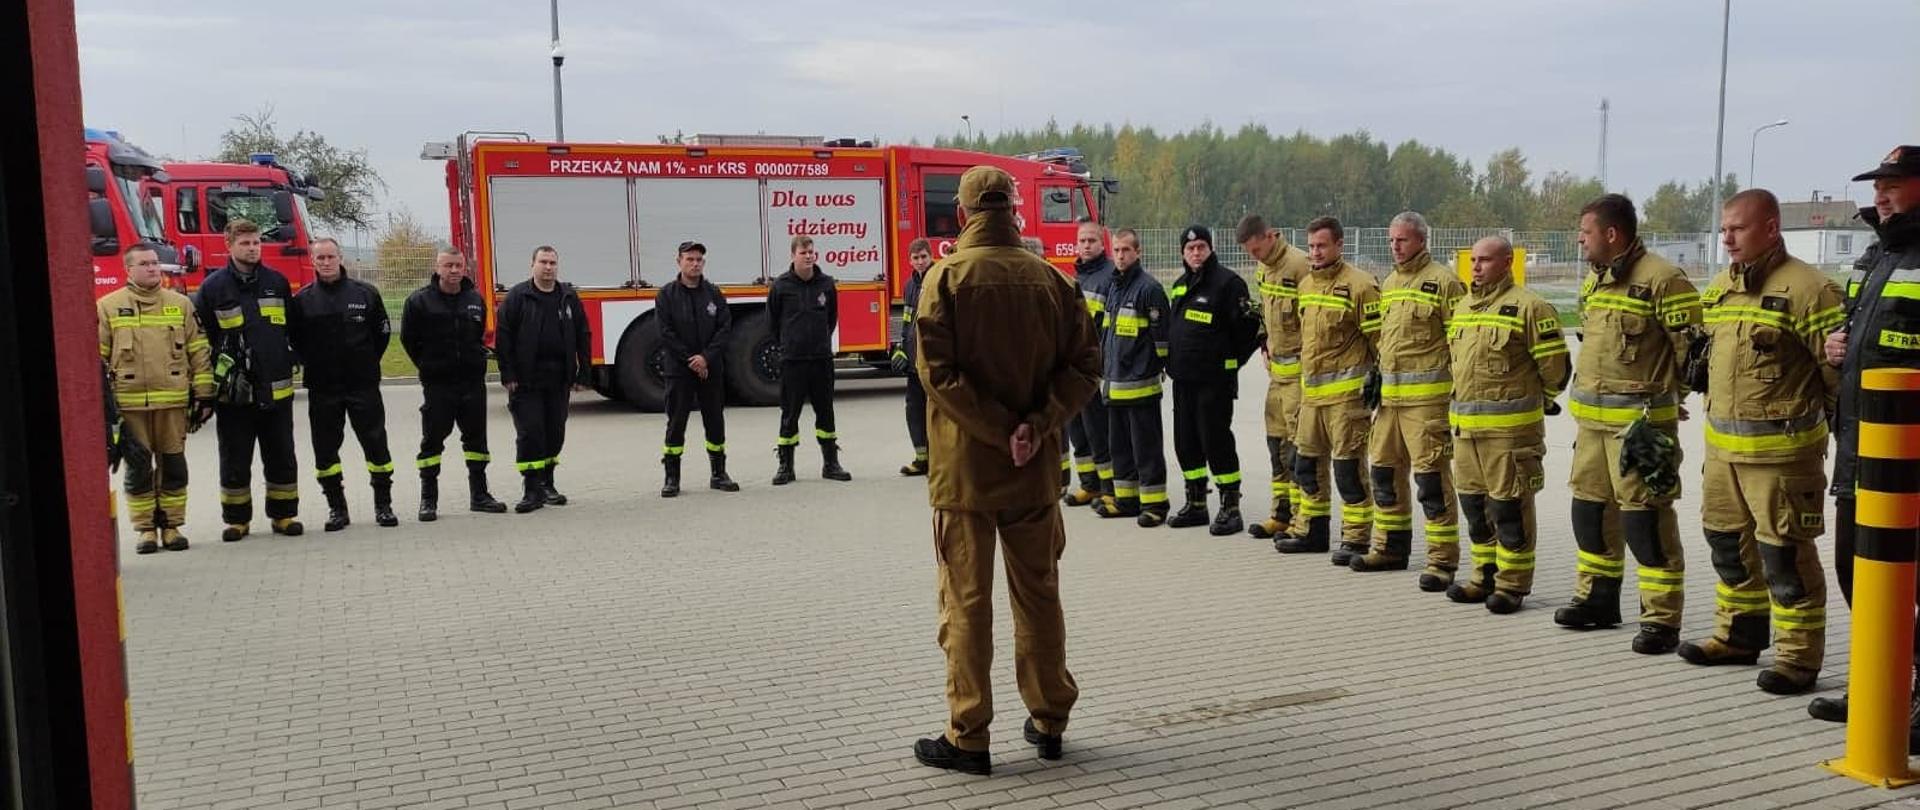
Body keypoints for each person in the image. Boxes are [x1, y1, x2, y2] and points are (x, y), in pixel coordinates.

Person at [909, 165, 1101, 775]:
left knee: (966, 603)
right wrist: (1035, 426)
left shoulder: (943, 279)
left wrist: (996, 430)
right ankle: (1049, 720)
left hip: (966, 476)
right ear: (1015, 212)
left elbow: (936, 375)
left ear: (962, 216)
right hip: (1034, 470)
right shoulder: (1052, 280)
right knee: (1039, 595)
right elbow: (1085, 367)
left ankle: (969, 735)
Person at [1675, 189, 1842, 694]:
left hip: (1783, 460)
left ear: (1771, 228)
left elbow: (1836, 378)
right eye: (1723, 229)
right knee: (1727, 547)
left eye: (1738, 229)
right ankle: (1739, 636)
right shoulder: (1721, 285)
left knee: (1785, 559)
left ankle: (1797, 658)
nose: (1727, 238)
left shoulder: (1811, 290)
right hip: (1723, 453)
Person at [1555, 193, 1701, 656]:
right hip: (1591, 429)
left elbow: (1693, 355)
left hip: (1640, 433)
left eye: (1585, 233)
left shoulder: (1664, 280)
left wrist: (1670, 399)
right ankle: (1597, 599)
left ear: (1612, 234)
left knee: (1645, 523)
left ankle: (1660, 619)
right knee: (1590, 515)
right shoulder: (1595, 281)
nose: (1580, 241)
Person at [1812, 145, 1920, 731]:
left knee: (1912, 579)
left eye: (1895, 185)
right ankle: (1881, 683)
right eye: (1879, 185)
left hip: (1912, 455)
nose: (1880, 195)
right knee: (1859, 570)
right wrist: (1840, 346)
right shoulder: (1877, 255)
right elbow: (1860, 334)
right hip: (1862, 448)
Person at [1445, 237, 1570, 613]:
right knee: (1474, 508)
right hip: (1466, 432)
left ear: (1508, 262)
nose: (1477, 267)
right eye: (1474, 260)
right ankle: (1483, 575)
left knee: (1510, 510)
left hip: (1510, 435)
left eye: (1485, 260)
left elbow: (1556, 371)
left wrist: (1538, 400)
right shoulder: (1464, 306)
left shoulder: (1531, 307)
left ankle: (1512, 584)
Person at [1351, 212, 1466, 581]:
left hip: (1426, 406)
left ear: (1421, 241)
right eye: (1391, 240)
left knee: (1431, 482)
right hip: (1389, 403)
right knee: (1383, 475)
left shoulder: (1444, 282)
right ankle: (1390, 548)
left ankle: (1442, 560)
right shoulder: (1390, 282)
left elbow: (1459, 342)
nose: (1394, 246)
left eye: (1401, 240)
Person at [1276, 217, 1382, 563]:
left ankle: (1355, 539)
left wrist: (1379, 381)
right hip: (1312, 398)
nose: (1315, 252)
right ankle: (1313, 531)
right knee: (1305, 466)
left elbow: (1379, 341)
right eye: (1311, 246)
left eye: (1322, 246)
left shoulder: (1361, 285)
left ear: (1339, 245)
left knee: (1348, 472)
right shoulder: (1306, 285)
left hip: (1347, 402)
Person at [99, 243, 214, 553]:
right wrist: (106, 409)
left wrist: (204, 395)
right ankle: (146, 530)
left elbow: (198, 351)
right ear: (129, 270)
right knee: (138, 468)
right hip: (130, 405)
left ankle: (173, 527)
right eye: (145, 264)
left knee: (174, 466)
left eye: (155, 263)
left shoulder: (181, 305)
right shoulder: (107, 307)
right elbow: (98, 360)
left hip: (173, 403)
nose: (153, 268)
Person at [195, 218, 303, 541]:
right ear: (228, 245)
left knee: (281, 454)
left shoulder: (277, 282)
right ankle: (237, 520)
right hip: (235, 394)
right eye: (245, 243)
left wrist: (291, 358)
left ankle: (284, 516)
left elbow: (293, 329)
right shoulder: (213, 288)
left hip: (276, 389)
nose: (253, 248)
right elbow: (204, 340)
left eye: (256, 242)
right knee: (235, 458)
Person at [291, 237, 397, 532]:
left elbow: (382, 335)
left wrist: (365, 363)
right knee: (325, 450)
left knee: (376, 445)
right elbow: (296, 341)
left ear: (341, 258)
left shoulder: (366, 294)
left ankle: (383, 505)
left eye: (330, 257)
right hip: (323, 388)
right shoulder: (302, 300)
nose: (326, 262)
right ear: (312, 261)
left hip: (362, 384)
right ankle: (337, 508)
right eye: (320, 258)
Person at [1163, 225, 1262, 535]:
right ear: (1183, 253)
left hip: (1213, 382)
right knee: (1186, 441)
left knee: (1215, 440)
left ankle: (1230, 507)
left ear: (1210, 249)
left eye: (1201, 247)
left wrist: (1228, 366)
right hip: (1184, 381)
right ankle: (1196, 504)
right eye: (1190, 249)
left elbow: (1248, 334)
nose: (1196, 253)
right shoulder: (1180, 285)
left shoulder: (1228, 284)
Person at [400, 247, 509, 521]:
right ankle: (428, 500)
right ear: (437, 267)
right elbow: (408, 340)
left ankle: (480, 495)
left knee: (476, 441)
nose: (454, 270)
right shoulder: (419, 302)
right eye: (448, 265)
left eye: (458, 265)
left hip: (472, 383)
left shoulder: (474, 299)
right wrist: (428, 365)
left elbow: (478, 335)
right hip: (438, 385)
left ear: (465, 268)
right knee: (432, 442)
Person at [496, 245, 593, 513]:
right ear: (532, 265)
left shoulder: (568, 296)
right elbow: (503, 338)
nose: (548, 267)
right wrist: (508, 374)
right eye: (543, 262)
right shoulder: (518, 297)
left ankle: (548, 484)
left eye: (552, 263)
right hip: (526, 381)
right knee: (530, 433)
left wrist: (583, 371)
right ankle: (531, 490)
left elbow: (583, 334)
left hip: (558, 380)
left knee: (555, 432)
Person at [1092, 228, 1172, 525]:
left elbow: (1162, 341)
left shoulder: (1149, 289)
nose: (1121, 256)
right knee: (1120, 448)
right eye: (1117, 250)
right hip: (1114, 386)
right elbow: (1107, 335)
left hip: (1140, 388)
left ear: (1138, 252)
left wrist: (1151, 368)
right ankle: (1126, 500)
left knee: (1146, 449)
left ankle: (1155, 505)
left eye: (1126, 250)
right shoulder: (1114, 287)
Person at [1236, 215, 1308, 542]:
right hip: (1276, 374)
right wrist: (1264, 341)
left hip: (1301, 377)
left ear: (1270, 235)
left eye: (1257, 249)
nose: (1255, 257)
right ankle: (1280, 513)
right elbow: (1266, 313)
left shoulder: (1299, 266)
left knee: (1298, 451)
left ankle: (1300, 518)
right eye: (1250, 253)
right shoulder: (1264, 270)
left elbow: (1313, 320)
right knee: (1275, 446)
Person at [656, 241, 738, 497]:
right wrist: (691, 360)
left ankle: (719, 473)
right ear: (678, 261)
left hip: (710, 369)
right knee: (676, 421)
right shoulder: (666, 295)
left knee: (714, 420)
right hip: (679, 370)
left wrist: (706, 358)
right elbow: (665, 332)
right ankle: (672, 477)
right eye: (690, 259)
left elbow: (724, 329)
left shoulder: (714, 294)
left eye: (699, 260)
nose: (695, 264)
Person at [769, 236, 850, 484]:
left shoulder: (826, 284)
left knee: (825, 412)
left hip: (820, 360)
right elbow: (773, 323)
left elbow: (831, 318)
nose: (808, 256)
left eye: (811, 252)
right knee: (789, 413)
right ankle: (786, 466)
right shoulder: (781, 286)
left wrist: (819, 341)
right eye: (803, 252)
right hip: (793, 360)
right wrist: (789, 344)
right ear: (793, 255)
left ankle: (831, 464)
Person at [1063, 221, 1117, 510]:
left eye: (1091, 241)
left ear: (1102, 244)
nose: (1085, 245)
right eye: (1082, 240)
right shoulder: (1077, 277)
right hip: (1074, 369)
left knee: (1099, 431)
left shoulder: (1109, 277)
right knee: (1078, 429)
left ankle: (1108, 487)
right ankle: (1089, 484)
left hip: (1095, 370)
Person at [893, 238, 935, 476]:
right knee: (914, 409)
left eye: (924, 257)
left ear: (930, 257)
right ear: (910, 260)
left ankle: (939, 459)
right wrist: (899, 347)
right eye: (916, 258)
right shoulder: (910, 285)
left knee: (935, 412)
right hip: (913, 360)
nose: (920, 262)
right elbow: (907, 320)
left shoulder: (938, 278)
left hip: (932, 359)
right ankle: (921, 458)